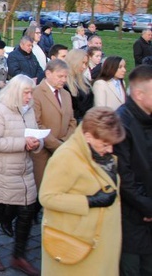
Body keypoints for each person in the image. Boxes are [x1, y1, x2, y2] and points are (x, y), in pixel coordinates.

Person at [39, 107, 124, 276]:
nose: (110, 150)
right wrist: (90, 201)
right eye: (105, 144)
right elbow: (47, 197)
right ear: (88, 136)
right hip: (78, 245)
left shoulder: (99, 153)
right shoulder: (67, 156)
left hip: (100, 244)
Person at [0, 75, 42, 276]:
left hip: (23, 170)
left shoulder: (28, 109)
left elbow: (33, 133)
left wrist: (37, 143)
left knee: (27, 211)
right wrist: (23, 143)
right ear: (16, 91)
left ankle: (19, 255)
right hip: (0, 170)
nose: (29, 97)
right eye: (26, 92)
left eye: (31, 92)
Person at [115, 65, 152, 275]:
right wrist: (147, 207)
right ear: (139, 94)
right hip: (131, 216)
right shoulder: (122, 122)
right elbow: (124, 176)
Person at [32, 59, 77, 192]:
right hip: (43, 152)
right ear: (48, 74)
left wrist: (65, 142)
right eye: (60, 76)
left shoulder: (66, 94)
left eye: (65, 76)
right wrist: (57, 144)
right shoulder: (36, 93)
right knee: (43, 192)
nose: (63, 80)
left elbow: (72, 121)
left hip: (63, 150)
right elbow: (36, 124)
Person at [64, 49, 94, 122]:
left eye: (86, 63)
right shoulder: (64, 84)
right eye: (82, 63)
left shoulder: (85, 81)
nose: (84, 67)